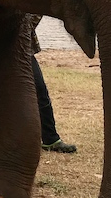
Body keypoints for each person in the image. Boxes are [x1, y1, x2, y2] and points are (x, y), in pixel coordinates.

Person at [29, 16, 77, 154]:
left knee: (40, 91)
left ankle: (50, 139)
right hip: (3, 47)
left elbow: (31, 20)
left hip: (22, 48)